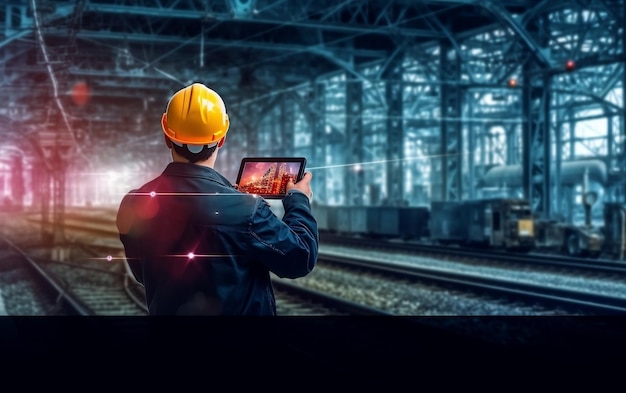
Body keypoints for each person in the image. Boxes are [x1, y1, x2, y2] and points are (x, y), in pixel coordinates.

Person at [116, 82, 318, 315]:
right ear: (221, 139)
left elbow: (145, 274)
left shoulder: (133, 203)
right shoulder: (246, 210)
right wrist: (298, 200)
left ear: (167, 136)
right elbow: (300, 258)